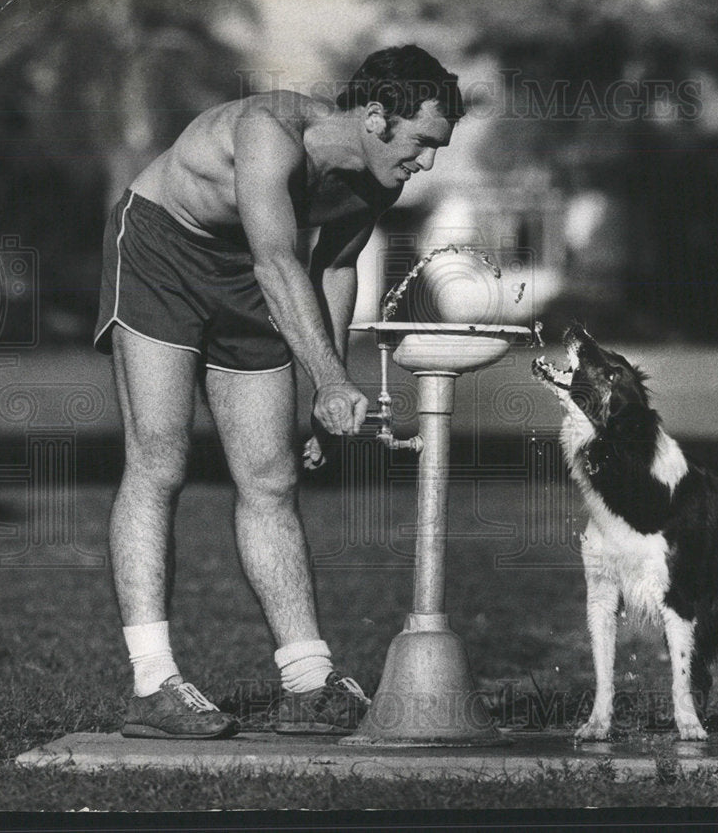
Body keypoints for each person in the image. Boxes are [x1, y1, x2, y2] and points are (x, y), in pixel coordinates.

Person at [93, 45, 465, 738]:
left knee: (271, 476)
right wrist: (324, 380)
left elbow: (335, 268)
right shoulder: (271, 131)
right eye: (421, 142)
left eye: (436, 148)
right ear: (376, 117)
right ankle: (151, 684)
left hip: (256, 274)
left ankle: (308, 681)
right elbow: (277, 262)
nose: (427, 162)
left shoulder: (377, 181)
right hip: (163, 251)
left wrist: (334, 387)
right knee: (159, 459)